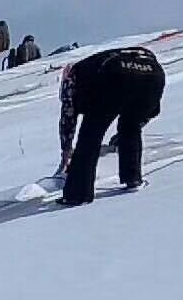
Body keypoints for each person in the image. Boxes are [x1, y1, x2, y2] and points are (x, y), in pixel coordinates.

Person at [56, 46, 165, 206]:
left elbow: (68, 115)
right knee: (131, 126)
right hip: (154, 75)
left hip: (115, 77)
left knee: (90, 134)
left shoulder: (72, 77)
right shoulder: (92, 67)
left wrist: (66, 151)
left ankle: (77, 194)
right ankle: (132, 178)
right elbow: (151, 111)